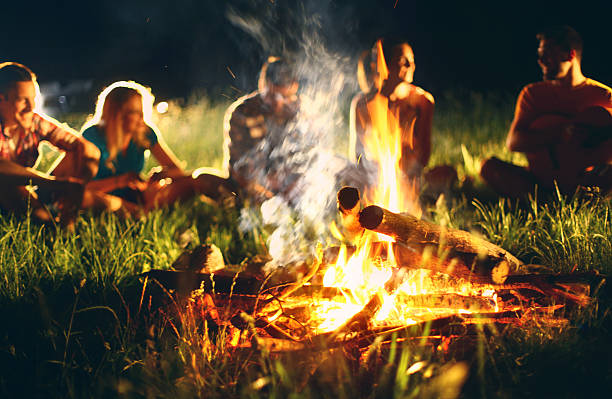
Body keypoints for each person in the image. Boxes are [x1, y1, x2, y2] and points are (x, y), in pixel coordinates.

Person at [481, 26, 612, 197]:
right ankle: (547, 198)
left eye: (547, 55)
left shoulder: (604, 96)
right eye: (540, 55)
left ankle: (562, 198)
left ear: (570, 55)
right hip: (539, 177)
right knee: (489, 167)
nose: (541, 61)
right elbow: (513, 142)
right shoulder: (533, 94)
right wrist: (559, 133)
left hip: (584, 179)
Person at [76, 81, 232, 215]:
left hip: (141, 197)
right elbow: (79, 187)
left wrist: (162, 174)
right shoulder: (92, 135)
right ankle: (137, 213)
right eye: (135, 112)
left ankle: (235, 202)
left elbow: (177, 170)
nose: (142, 119)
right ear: (117, 114)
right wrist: (121, 181)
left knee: (199, 178)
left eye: (143, 112)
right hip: (100, 199)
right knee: (85, 198)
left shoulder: (145, 133)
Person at [349, 39, 456, 198]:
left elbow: (423, 157)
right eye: (403, 61)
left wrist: (400, 169)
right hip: (372, 178)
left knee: (446, 174)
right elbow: (355, 155)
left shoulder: (423, 101)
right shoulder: (362, 104)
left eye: (412, 60)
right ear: (382, 65)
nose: (411, 66)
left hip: (410, 178)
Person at [0, 62, 100, 226]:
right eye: (23, 100)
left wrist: (78, 185)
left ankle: (66, 214)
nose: (31, 107)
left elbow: (88, 150)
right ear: (1, 99)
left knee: (79, 154)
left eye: (33, 99)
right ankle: (47, 223)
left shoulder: (34, 122)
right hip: (11, 190)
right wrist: (55, 184)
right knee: (10, 188)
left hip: (24, 191)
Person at [222, 57, 300, 201]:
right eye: (271, 95)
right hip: (252, 188)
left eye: (284, 96)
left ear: (294, 88)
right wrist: (265, 187)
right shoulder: (242, 112)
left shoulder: (300, 111)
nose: (278, 102)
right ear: (262, 85)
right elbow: (237, 168)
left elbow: (310, 157)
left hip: (291, 187)